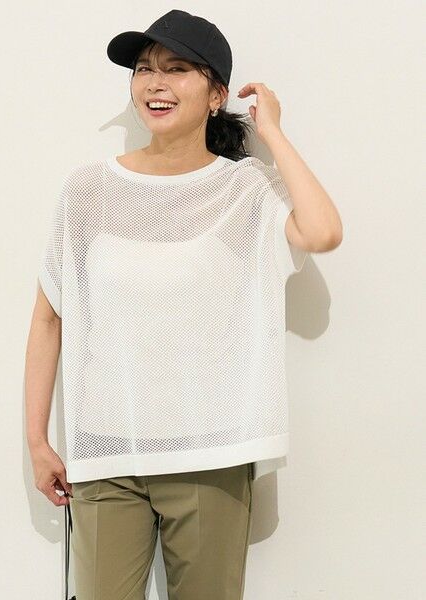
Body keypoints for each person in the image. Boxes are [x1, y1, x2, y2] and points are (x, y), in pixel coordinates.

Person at [24, 9, 343, 600]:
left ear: (217, 94)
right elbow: (49, 318)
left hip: (211, 452)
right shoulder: (88, 189)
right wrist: (38, 442)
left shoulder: (245, 189)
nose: (155, 83)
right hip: (108, 455)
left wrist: (272, 131)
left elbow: (323, 232)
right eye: (144, 69)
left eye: (176, 69)